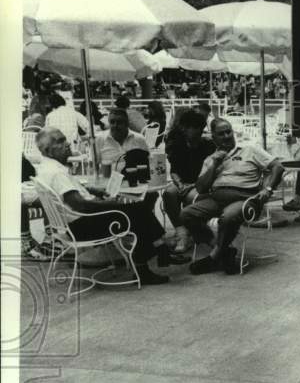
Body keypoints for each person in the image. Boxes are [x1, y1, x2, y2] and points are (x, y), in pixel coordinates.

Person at [32, 128, 184, 285]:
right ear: (48, 150)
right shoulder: (57, 173)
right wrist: (110, 203)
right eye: (60, 141)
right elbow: (81, 205)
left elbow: (72, 194)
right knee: (138, 211)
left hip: (71, 225)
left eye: (65, 139)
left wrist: (92, 190)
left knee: (137, 209)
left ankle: (161, 250)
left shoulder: (46, 167)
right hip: (82, 227)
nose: (67, 144)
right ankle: (149, 263)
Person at [180, 118, 285, 275]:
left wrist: (268, 189)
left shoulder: (250, 149)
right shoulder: (211, 159)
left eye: (228, 131)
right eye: (221, 134)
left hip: (245, 198)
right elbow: (201, 188)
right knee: (186, 215)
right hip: (216, 199)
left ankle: (214, 257)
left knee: (228, 217)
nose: (226, 136)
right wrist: (214, 165)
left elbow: (278, 166)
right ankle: (223, 250)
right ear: (213, 137)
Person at [164, 110, 216, 253]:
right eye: (185, 127)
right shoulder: (178, 145)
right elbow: (174, 171)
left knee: (190, 197)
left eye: (189, 127)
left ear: (200, 128)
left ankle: (192, 231)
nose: (185, 130)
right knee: (169, 193)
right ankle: (182, 233)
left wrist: (192, 185)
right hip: (183, 182)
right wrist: (180, 184)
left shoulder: (208, 146)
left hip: (203, 184)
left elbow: (211, 173)